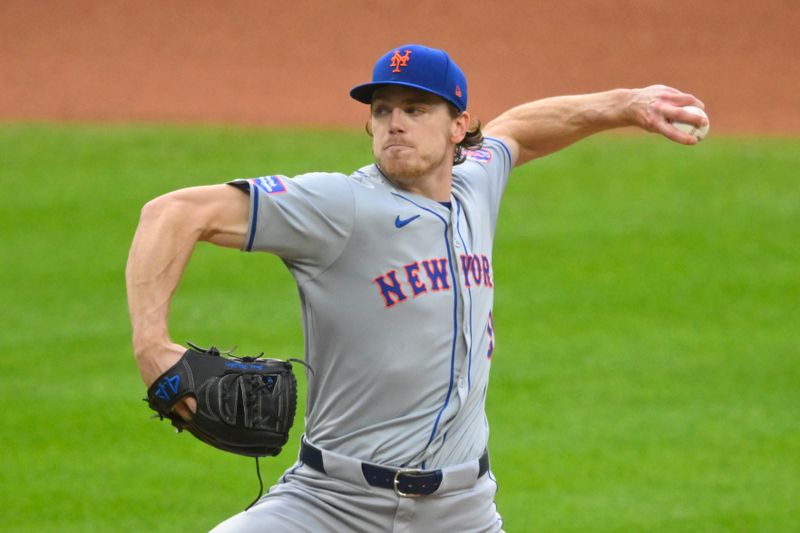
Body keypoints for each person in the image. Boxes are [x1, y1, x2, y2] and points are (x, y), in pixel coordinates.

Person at [126, 44, 707, 532]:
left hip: (461, 510)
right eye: (381, 111)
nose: (394, 122)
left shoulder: (476, 184)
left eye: (415, 108)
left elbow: (520, 132)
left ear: (459, 126)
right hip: (330, 504)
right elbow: (172, 213)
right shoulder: (340, 205)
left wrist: (627, 105)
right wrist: (152, 346)